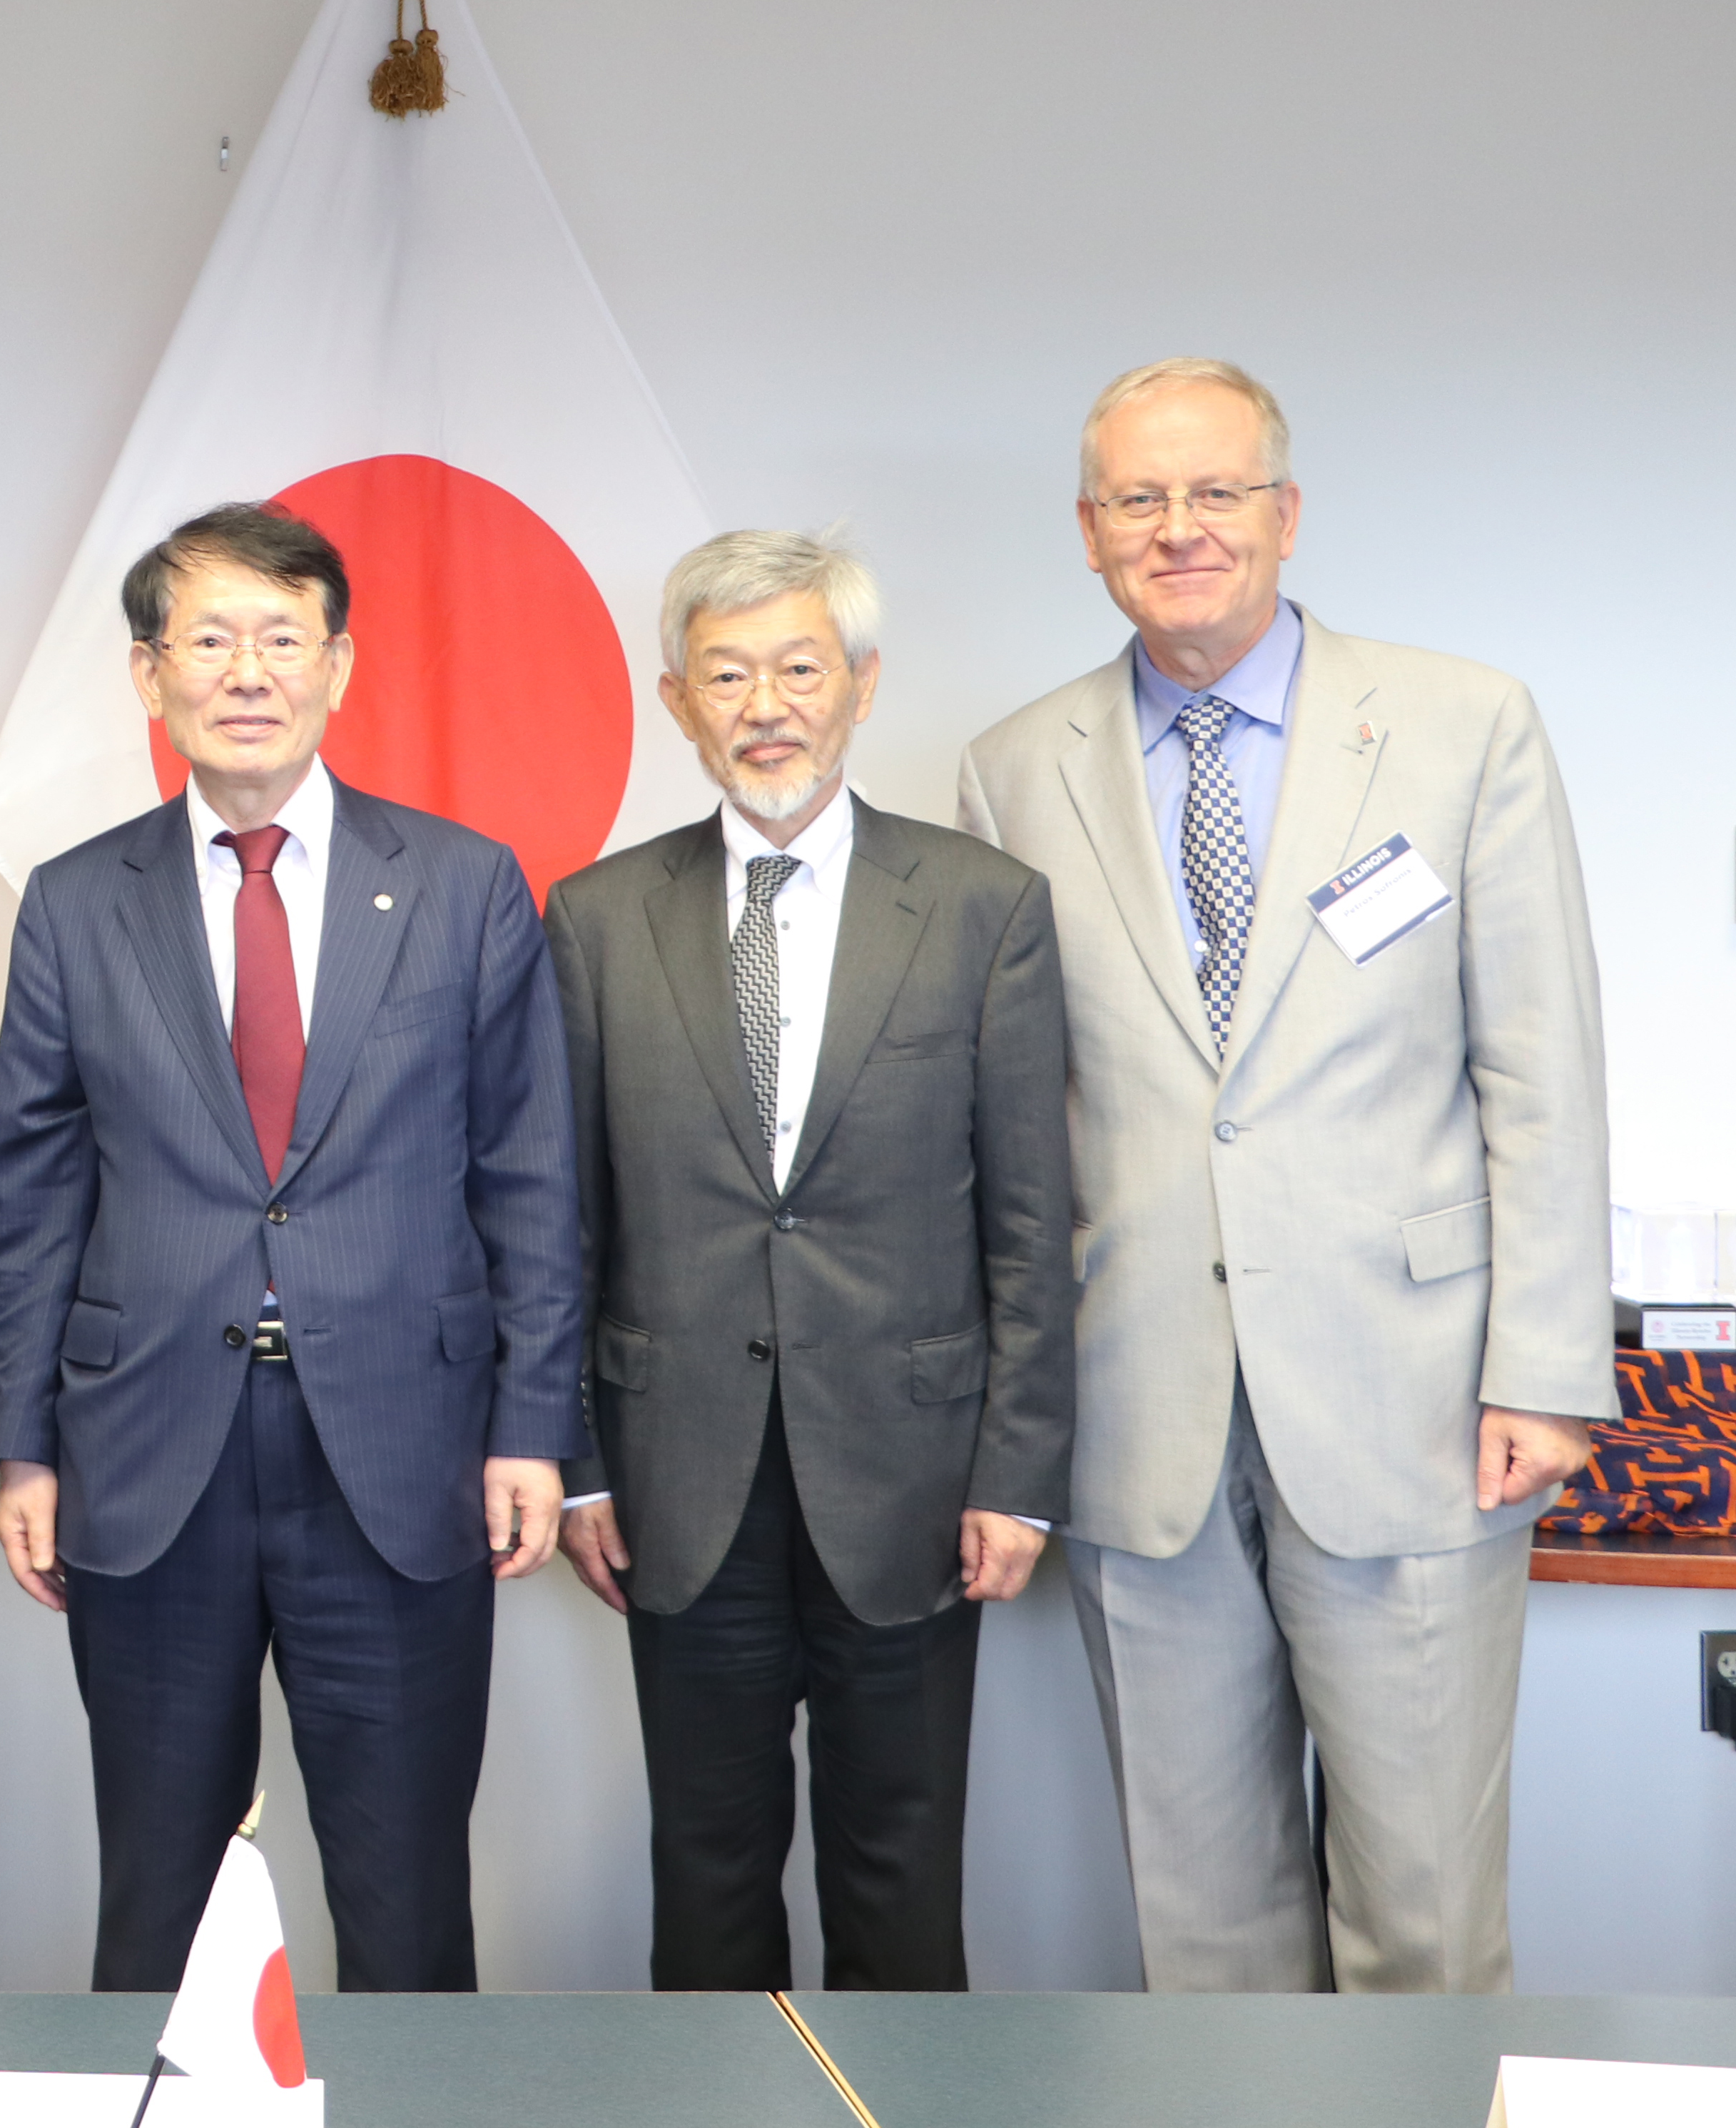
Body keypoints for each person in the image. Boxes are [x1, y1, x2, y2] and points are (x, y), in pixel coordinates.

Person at [958, 359, 1610, 1992]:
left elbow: (1540, 1067)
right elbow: (1012, 1131)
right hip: (1138, 1410)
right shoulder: (1010, 770)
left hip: (1416, 1401)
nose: (1180, 530)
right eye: (1139, 500)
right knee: (1205, 1926)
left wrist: (1545, 1364)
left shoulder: (1465, 727)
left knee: (1425, 1917)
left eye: (1216, 493)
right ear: (1091, 535)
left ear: (1286, 514)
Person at [0, 501, 584, 1993]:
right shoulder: (74, 903)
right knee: (161, 1903)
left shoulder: (463, 883)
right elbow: (36, 1189)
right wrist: (25, 1448)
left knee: (406, 1902)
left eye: (280, 638)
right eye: (208, 639)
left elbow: (530, 1175)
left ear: (338, 665)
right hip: (147, 1455)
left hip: (403, 1446)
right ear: (148, 674)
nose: (245, 671)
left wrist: (531, 1427)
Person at [547, 530, 1072, 1992]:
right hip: (675, 1472)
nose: (765, 704)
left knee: (902, 1874)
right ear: (676, 700)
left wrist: (1017, 1472)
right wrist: (576, 1461)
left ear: (860, 685)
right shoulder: (596, 918)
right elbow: (562, 1224)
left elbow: (1033, 1219)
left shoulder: (981, 908)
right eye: (727, 674)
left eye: (797, 667)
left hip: (911, 1472)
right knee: (704, 1876)